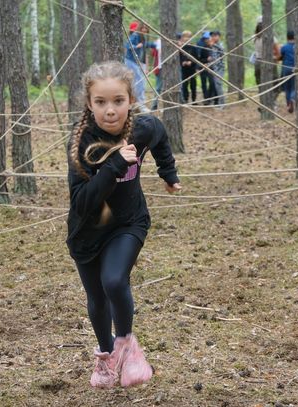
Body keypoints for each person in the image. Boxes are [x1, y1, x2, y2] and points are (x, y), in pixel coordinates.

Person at [66, 61, 182, 388]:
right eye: (101, 102)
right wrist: (115, 163)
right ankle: (105, 357)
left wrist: (168, 174)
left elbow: (159, 136)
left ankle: (127, 347)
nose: (111, 110)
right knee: (97, 298)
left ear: (131, 99)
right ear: (89, 104)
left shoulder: (141, 127)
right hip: (87, 231)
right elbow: (83, 202)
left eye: (118, 100)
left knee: (114, 281)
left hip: (129, 222)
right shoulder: (82, 146)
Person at [124, 22, 155, 112]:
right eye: (143, 28)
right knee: (139, 82)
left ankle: (137, 103)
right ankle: (140, 104)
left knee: (140, 82)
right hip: (131, 61)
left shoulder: (143, 38)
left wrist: (156, 44)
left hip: (137, 62)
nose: (144, 30)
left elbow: (146, 45)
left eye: (146, 28)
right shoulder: (135, 35)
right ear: (139, 28)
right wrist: (135, 46)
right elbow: (127, 44)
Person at [253, 19, 281, 109]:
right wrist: (276, 59)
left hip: (258, 62)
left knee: (261, 85)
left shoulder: (254, 37)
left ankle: (263, 104)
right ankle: (271, 102)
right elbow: (278, 51)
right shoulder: (271, 37)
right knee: (276, 84)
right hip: (269, 62)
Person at [179, 30, 199, 104]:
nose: (186, 38)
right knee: (184, 85)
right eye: (185, 37)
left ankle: (194, 100)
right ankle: (185, 99)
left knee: (193, 85)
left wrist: (191, 62)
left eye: (188, 37)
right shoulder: (181, 48)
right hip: (184, 69)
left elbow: (196, 58)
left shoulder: (193, 47)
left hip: (192, 69)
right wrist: (182, 62)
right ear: (182, 38)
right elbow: (179, 58)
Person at [196, 31, 215, 105]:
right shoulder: (202, 47)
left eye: (209, 39)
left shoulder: (214, 48)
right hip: (203, 67)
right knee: (204, 83)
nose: (207, 40)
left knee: (212, 83)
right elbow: (199, 59)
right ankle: (206, 99)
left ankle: (210, 98)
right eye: (206, 39)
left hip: (211, 68)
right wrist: (206, 60)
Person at [279, 30, 296, 113]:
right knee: (294, 87)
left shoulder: (284, 47)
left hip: (286, 69)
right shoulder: (297, 47)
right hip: (295, 69)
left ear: (287, 37)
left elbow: (280, 57)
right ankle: (293, 99)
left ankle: (289, 104)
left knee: (287, 88)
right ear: (295, 37)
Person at [209, 31, 225, 108]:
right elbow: (214, 57)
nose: (213, 37)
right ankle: (219, 103)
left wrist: (214, 45)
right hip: (214, 68)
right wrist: (210, 60)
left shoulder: (220, 44)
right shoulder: (212, 46)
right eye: (212, 36)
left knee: (219, 85)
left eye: (215, 36)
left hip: (220, 68)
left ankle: (222, 104)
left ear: (219, 36)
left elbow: (222, 51)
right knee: (216, 86)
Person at [150, 37, 162, 111]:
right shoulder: (158, 41)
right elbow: (154, 54)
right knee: (158, 88)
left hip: (169, 67)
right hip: (160, 67)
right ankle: (154, 105)